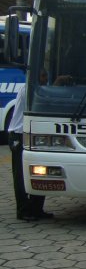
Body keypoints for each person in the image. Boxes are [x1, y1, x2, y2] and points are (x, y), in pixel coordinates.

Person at [10, 79, 54, 221]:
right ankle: (23, 210)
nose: (43, 79)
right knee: (21, 174)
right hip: (19, 133)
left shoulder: (40, 88)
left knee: (39, 171)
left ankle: (36, 208)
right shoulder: (27, 89)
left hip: (34, 132)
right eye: (41, 76)